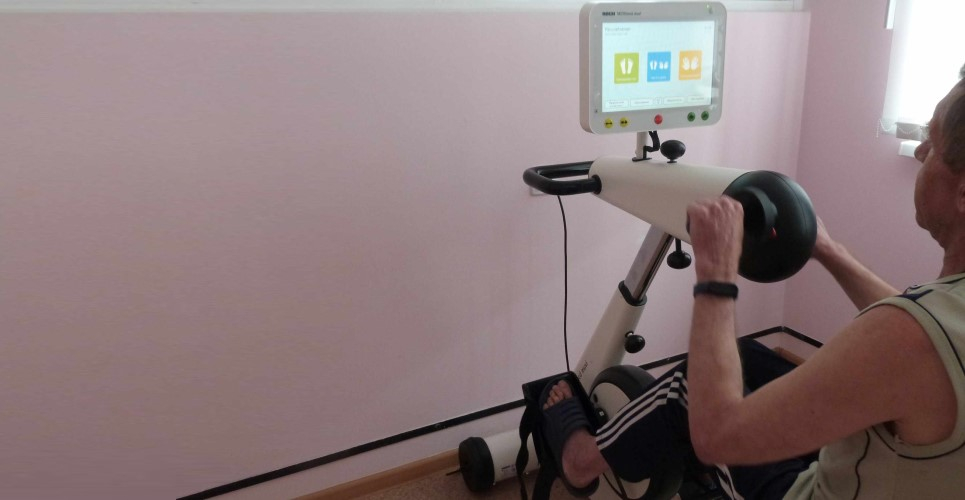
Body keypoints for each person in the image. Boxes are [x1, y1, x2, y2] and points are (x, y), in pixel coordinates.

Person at [540, 76, 965, 499]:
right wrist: (830, 251)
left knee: (690, 388)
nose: (920, 152)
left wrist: (715, 275)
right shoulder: (935, 321)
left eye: (932, 142)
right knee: (748, 359)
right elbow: (921, 329)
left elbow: (718, 436)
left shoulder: (905, 337)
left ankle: (580, 460)